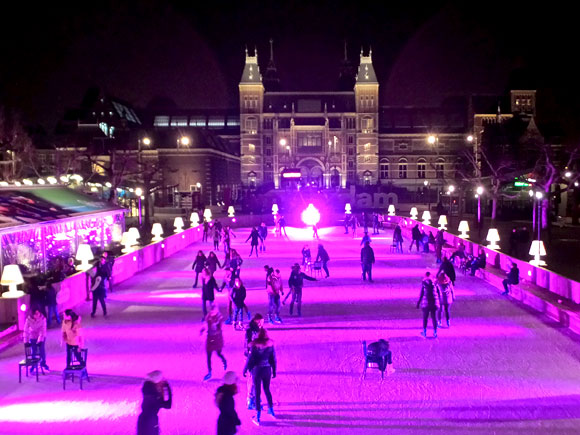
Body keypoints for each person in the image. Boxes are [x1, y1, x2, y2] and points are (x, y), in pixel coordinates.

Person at [243, 328, 277, 425]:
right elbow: (273, 359)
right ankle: (271, 410)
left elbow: (250, 359)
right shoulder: (270, 346)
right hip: (267, 370)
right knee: (267, 389)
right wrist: (274, 370)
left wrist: (245, 369)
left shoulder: (254, 346)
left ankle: (258, 416)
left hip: (257, 371)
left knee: (257, 392)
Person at [137, 370, 172, 435]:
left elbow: (166, 404)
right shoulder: (151, 391)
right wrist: (167, 387)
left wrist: (165, 388)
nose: (163, 381)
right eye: (161, 379)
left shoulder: (149, 389)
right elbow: (167, 405)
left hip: (147, 420)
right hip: (149, 421)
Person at [200, 302, 227, 381]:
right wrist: (202, 330)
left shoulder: (219, 318)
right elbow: (205, 325)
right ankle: (209, 372)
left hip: (217, 338)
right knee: (208, 356)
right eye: (211, 312)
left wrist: (215, 327)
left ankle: (224, 360)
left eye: (213, 312)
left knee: (218, 353)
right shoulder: (208, 316)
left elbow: (219, 328)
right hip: (209, 338)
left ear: (216, 311)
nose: (212, 313)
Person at [245, 314, 265, 410]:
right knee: (253, 379)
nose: (262, 324)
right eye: (260, 322)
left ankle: (255, 396)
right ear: (256, 321)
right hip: (252, 357)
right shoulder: (250, 330)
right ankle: (250, 400)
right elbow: (248, 343)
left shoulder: (259, 330)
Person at [24, 307, 49, 373]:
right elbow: (26, 330)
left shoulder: (43, 319)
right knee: (33, 351)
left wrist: (39, 340)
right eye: (35, 314)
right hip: (32, 336)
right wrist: (26, 341)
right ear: (33, 315)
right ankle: (33, 364)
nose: (37, 315)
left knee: (41, 350)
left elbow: (43, 330)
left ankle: (43, 362)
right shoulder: (28, 320)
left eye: (38, 313)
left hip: (41, 336)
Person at [416, 272, 441, 338]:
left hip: (426, 303)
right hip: (434, 303)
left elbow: (421, 294)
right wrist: (439, 302)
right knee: (434, 318)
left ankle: (424, 332)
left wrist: (418, 303)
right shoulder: (435, 284)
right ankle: (435, 332)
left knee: (425, 318)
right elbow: (439, 293)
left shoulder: (424, 284)